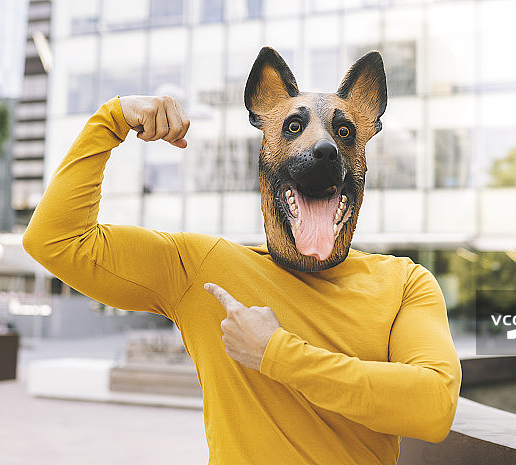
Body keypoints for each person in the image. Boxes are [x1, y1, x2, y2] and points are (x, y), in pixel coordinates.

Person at [23, 48, 461, 465]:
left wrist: (278, 353)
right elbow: (55, 241)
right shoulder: (201, 269)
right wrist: (112, 119)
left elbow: (434, 406)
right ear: (263, 140)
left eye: (344, 133)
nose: (324, 144)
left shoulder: (406, 283)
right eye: (293, 127)